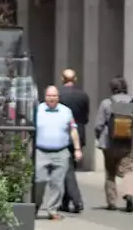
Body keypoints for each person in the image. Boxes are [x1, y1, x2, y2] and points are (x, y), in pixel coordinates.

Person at [35, 85, 82, 220]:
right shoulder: (38, 110)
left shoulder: (66, 111)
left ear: (58, 97)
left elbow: (73, 130)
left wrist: (77, 149)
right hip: (41, 151)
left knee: (58, 183)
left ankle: (52, 210)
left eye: (54, 96)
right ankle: (36, 206)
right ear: (45, 97)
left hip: (61, 152)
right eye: (49, 96)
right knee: (40, 181)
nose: (52, 98)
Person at [94, 76, 134, 210]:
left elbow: (99, 124)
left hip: (108, 143)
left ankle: (111, 201)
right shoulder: (132, 102)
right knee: (129, 170)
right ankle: (129, 194)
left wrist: (98, 136)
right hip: (127, 143)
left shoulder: (106, 103)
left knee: (110, 172)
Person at [57, 69, 90, 213]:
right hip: (79, 135)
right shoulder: (83, 95)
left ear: (62, 79)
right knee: (70, 168)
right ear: (75, 78)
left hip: (63, 134)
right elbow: (85, 117)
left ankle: (77, 201)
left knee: (67, 169)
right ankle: (65, 202)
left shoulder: (59, 95)